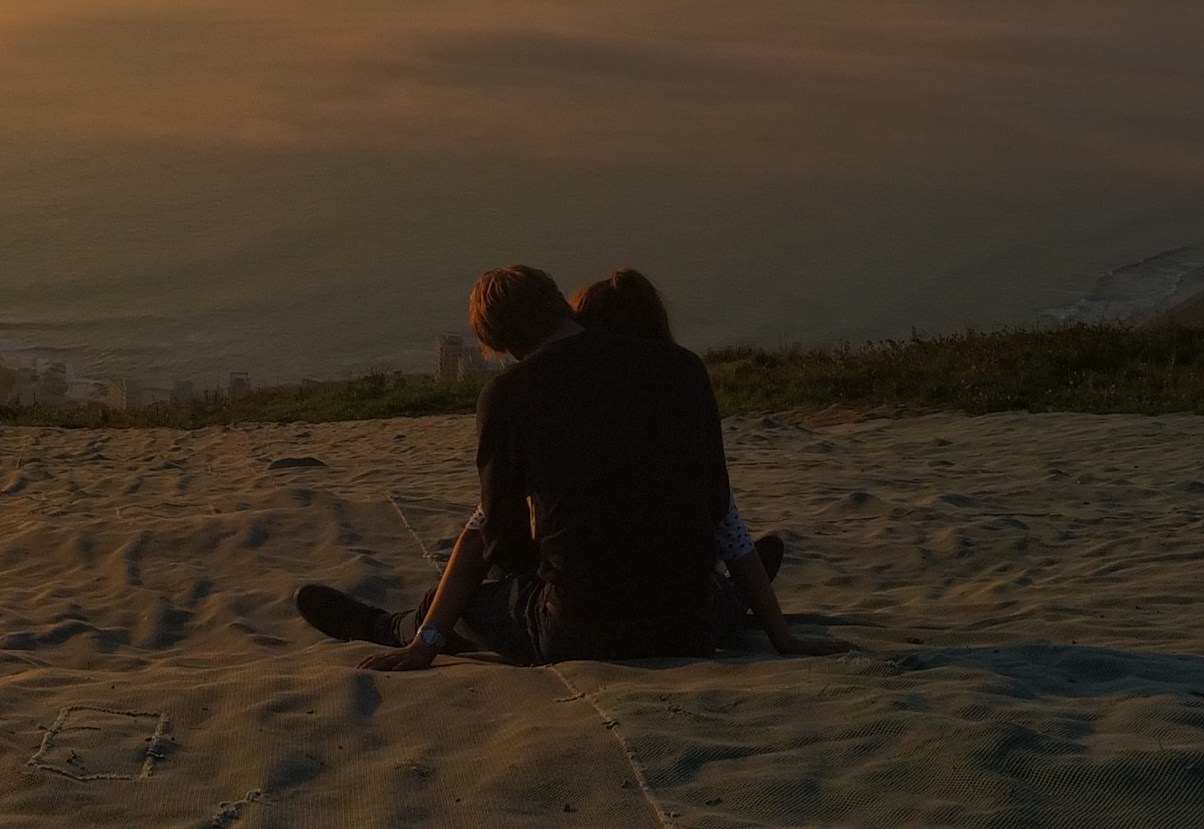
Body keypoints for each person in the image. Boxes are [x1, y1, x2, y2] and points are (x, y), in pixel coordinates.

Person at [295, 262, 851, 668]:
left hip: (577, 632)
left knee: (472, 603)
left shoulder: (511, 394)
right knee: (698, 585)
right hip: (691, 628)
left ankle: (390, 628)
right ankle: (737, 596)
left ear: (498, 344)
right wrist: (783, 638)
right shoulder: (683, 369)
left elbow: (499, 540)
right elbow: (718, 508)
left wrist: (432, 641)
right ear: (561, 300)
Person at [572, 268, 839, 654]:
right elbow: (726, 523)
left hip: (580, 615)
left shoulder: (567, 413)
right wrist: (783, 637)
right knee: (751, 562)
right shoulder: (682, 397)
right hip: (686, 622)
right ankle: (732, 596)